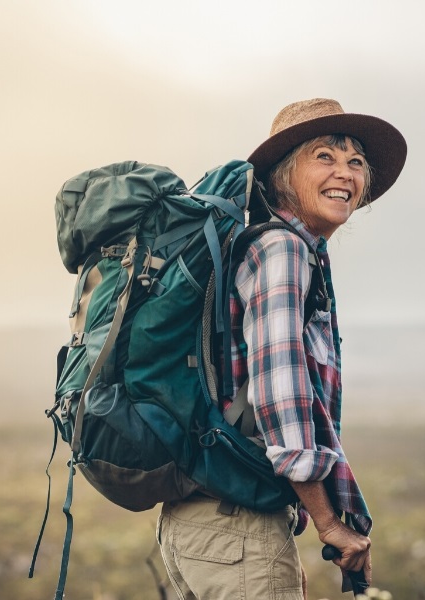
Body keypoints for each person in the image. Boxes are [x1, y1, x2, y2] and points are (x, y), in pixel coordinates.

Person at [157, 98, 407, 599]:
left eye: (356, 162)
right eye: (325, 157)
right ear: (281, 176)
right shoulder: (283, 250)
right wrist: (329, 525)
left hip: (209, 524)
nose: (346, 173)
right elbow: (281, 390)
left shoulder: (279, 250)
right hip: (236, 525)